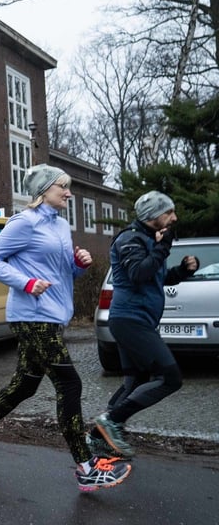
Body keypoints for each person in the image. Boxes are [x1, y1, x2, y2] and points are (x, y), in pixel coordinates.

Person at [0, 164, 130, 492]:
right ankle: (86, 466)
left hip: (53, 314)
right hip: (30, 316)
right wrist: (26, 282)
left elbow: (64, 273)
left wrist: (78, 265)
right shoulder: (24, 223)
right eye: (62, 187)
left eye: (68, 187)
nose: (68, 192)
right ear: (43, 191)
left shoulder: (61, 225)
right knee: (70, 384)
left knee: (25, 385)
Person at [89, 191, 198, 458]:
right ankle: (111, 422)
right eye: (169, 212)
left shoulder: (149, 239)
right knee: (170, 378)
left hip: (139, 321)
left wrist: (183, 271)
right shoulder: (130, 239)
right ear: (153, 216)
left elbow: (156, 278)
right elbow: (139, 273)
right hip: (129, 320)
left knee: (136, 380)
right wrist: (164, 247)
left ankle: (97, 438)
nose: (174, 217)